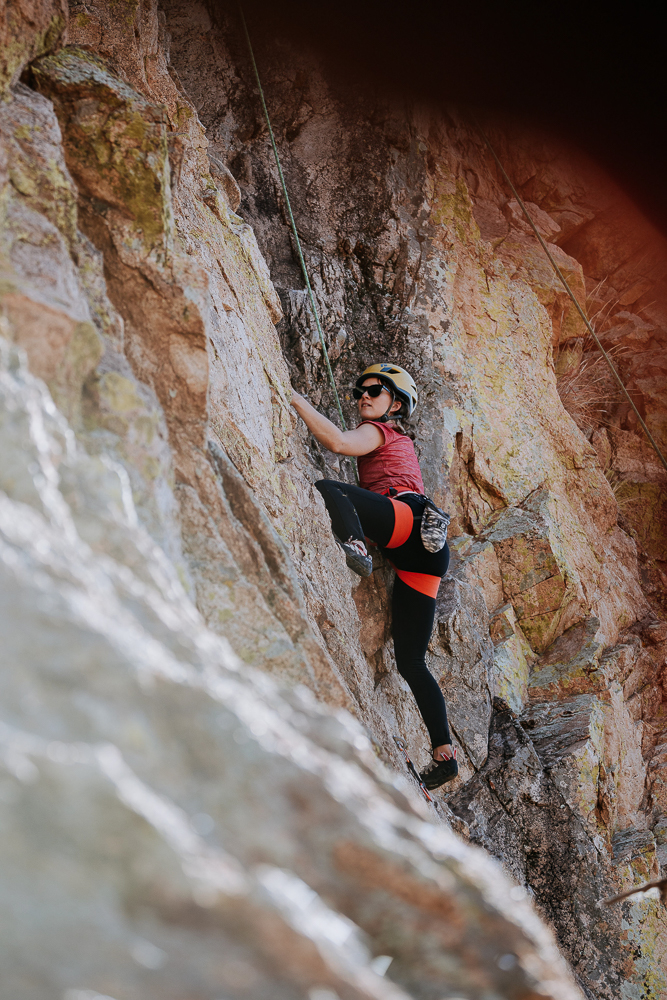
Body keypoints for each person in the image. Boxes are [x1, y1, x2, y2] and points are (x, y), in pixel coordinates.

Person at [290, 363, 457, 789]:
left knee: (332, 489)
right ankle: (445, 755)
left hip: (405, 521)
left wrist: (293, 397)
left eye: (375, 390)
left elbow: (337, 442)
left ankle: (356, 545)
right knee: (411, 661)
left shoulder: (383, 431)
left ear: (394, 403)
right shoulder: (395, 440)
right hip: (423, 556)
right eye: (359, 390)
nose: (364, 395)